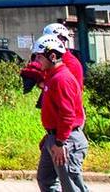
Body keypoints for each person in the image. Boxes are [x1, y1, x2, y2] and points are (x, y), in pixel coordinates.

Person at [32, 34, 89, 192]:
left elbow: (67, 115)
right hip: (55, 137)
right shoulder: (52, 78)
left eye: (39, 57)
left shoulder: (62, 79)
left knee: (71, 186)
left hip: (66, 140)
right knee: (46, 180)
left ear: (52, 56)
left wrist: (59, 142)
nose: (36, 61)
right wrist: (50, 136)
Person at [42, 23, 85, 88]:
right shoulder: (56, 59)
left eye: (47, 40)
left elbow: (56, 87)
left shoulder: (70, 63)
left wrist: (39, 80)